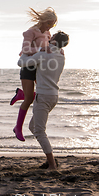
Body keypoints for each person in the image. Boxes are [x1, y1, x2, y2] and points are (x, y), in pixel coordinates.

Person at [18, 31, 69, 170]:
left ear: (52, 40)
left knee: (39, 131)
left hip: (43, 96)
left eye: (51, 38)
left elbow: (21, 62)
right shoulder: (61, 56)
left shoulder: (44, 54)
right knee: (32, 127)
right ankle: (50, 159)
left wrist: (24, 52)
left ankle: (52, 164)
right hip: (54, 96)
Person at [11, 7, 57, 142]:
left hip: (40, 68)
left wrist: (57, 50)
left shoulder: (48, 33)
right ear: (43, 20)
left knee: (42, 94)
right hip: (28, 67)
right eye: (49, 23)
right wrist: (40, 49)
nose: (51, 26)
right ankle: (18, 128)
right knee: (29, 99)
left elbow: (49, 48)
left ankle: (22, 94)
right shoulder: (30, 32)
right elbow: (25, 49)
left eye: (53, 24)